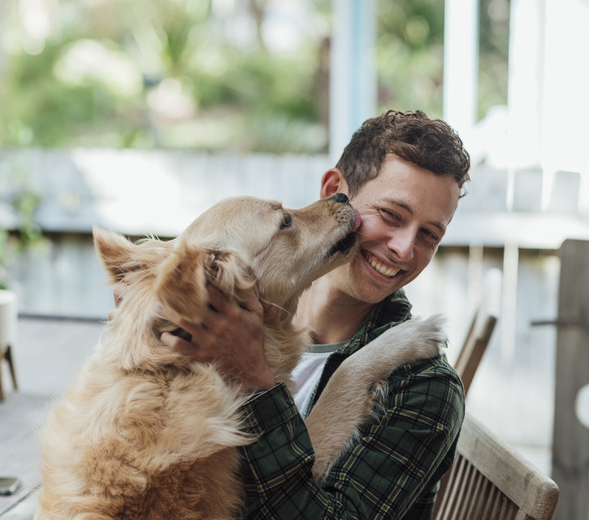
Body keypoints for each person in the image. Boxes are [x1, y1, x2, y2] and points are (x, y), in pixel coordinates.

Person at [153, 110, 470, 519]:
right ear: (334, 191)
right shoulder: (221, 323)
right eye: (391, 215)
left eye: (429, 235)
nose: (404, 249)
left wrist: (253, 380)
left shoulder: (423, 386)